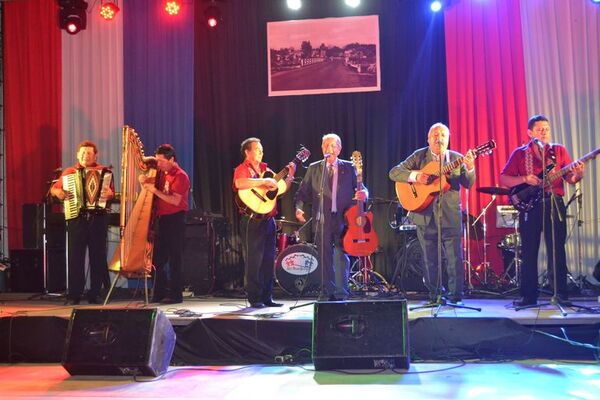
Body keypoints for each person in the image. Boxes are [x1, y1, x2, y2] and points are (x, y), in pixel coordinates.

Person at [500, 115, 584, 307]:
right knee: (529, 250)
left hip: (554, 202)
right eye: (539, 129)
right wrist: (524, 179)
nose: (544, 132)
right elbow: (504, 179)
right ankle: (529, 296)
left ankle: (560, 294)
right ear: (530, 133)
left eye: (546, 128)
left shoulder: (559, 151)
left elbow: (570, 179)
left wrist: (579, 173)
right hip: (531, 205)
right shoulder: (520, 154)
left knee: (557, 249)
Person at [389, 123, 475, 303]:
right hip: (424, 215)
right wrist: (416, 176)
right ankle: (435, 294)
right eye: (435, 135)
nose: (439, 138)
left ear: (448, 139)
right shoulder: (419, 156)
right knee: (429, 258)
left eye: (443, 135)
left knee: (454, 258)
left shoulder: (457, 158)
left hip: (450, 214)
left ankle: (455, 295)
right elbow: (394, 173)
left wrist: (470, 167)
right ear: (428, 139)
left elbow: (467, 183)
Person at [294, 133, 368, 301]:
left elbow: (363, 189)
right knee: (324, 256)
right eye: (326, 145)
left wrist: (364, 194)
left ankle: (342, 292)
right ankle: (327, 291)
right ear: (322, 149)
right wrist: (299, 209)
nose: (330, 149)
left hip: (344, 218)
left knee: (342, 254)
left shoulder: (349, 167)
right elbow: (301, 193)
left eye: (333, 146)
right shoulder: (314, 168)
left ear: (340, 149)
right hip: (322, 219)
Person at [233, 137, 296, 308]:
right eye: (257, 149)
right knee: (254, 259)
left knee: (269, 259)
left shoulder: (266, 169)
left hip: (269, 220)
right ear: (247, 152)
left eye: (262, 149)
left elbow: (281, 189)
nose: (261, 152)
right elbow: (239, 183)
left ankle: (267, 297)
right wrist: (263, 181)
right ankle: (255, 298)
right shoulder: (242, 169)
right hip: (252, 220)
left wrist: (290, 175)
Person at [51, 140, 114, 305]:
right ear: (78, 155)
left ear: (95, 155)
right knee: (75, 257)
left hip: (98, 218)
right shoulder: (69, 172)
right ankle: (74, 295)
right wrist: (59, 192)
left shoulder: (104, 172)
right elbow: (54, 189)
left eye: (90, 153)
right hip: (77, 218)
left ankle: (95, 294)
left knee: (98, 257)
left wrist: (108, 195)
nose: (86, 156)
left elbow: (110, 193)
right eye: (83, 153)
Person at [140, 144, 190, 305]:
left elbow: (175, 200)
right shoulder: (161, 173)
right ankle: (159, 293)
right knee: (157, 260)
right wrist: (143, 181)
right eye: (157, 160)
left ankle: (176, 295)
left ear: (172, 159)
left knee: (175, 259)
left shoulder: (181, 176)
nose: (158, 164)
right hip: (162, 220)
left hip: (176, 219)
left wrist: (153, 191)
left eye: (161, 161)